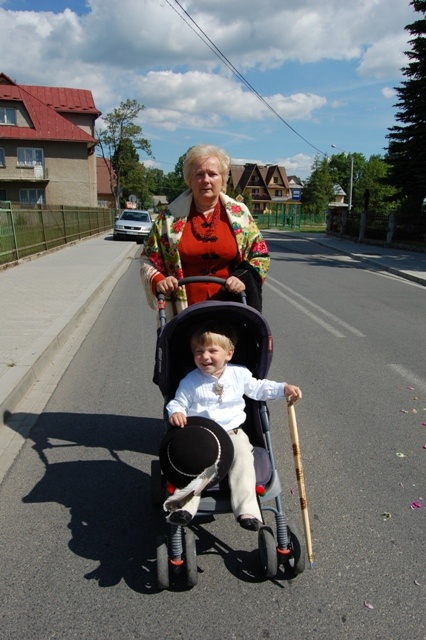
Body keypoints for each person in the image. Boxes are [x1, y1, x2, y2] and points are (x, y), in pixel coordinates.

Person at [164, 321, 302, 530]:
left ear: (229, 354)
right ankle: (184, 506)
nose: (205, 356)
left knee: (244, 460)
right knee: (195, 465)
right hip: (203, 434)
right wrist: (176, 411)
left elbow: (259, 388)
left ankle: (247, 510)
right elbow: (178, 401)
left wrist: (283, 389)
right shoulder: (190, 381)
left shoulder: (239, 374)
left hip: (233, 432)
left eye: (212, 350)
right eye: (198, 352)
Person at [140, 144, 270, 317]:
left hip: (231, 312)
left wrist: (242, 278)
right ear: (190, 180)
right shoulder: (169, 218)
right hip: (184, 313)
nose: (206, 180)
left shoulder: (241, 216)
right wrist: (160, 280)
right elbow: (147, 257)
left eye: (213, 174)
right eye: (199, 174)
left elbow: (260, 256)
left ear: (223, 179)